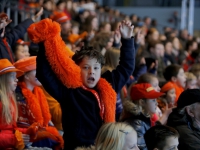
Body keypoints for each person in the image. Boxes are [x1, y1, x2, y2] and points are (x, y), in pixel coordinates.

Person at [27, 19, 135, 149]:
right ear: (77, 69)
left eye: (96, 68)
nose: (91, 72)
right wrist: (44, 42)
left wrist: (127, 40)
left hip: (105, 146)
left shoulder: (108, 83)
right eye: (86, 67)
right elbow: (44, 74)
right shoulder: (69, 91)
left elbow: (126, 66)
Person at [14, 56, 64, 149]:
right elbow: (22, 126)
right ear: (26, 75)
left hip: (39, 133)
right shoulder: (18, 96)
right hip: (27, 139)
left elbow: (47, 122)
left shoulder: (38, 91)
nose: (41, 74)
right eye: (37, 70)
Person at [121, 83, 164, 150]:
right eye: (153, 100)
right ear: (142, 102)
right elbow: (141, 148)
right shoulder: (136, 123)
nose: (157, 103)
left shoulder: (143, 118)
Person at [0, 59, 30, 149]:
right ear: (3, 79)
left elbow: (12, 129)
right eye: (12, 76)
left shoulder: (10, 99)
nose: (16, 79)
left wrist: (28, 132)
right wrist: (14, 139)